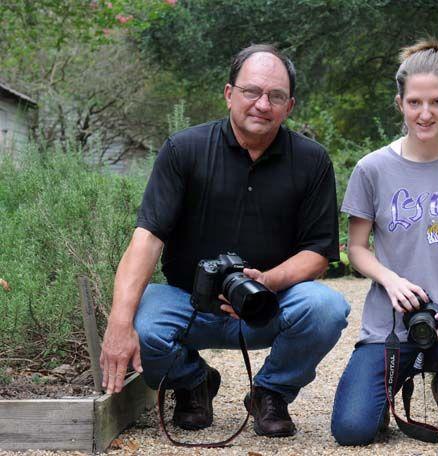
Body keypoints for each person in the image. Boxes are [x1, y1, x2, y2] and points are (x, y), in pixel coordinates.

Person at [99, 44, 350, 438]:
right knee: (140, 326)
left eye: (276, 96)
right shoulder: (184, 150)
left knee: (327, 307)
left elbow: (318, 254)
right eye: (252, 91)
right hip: (188, 304)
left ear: (290, 105)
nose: (263, 104)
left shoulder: (312, 161)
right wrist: (117, 323)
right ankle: (193, 381)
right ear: (229, 93)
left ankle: (271, 392)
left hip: (268, 303)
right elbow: (147, 238)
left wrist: (266, 282)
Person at [330, 39, 438, 446]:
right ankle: (388, 386)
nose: (425, 114)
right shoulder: (371, 169)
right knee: (352, 431)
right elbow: (355, 247)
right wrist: (390, 281)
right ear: (399, 103)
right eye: (414, 103)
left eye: (436, 102)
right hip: (390, 325)